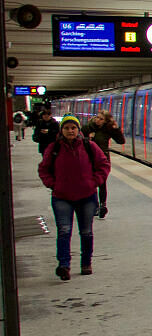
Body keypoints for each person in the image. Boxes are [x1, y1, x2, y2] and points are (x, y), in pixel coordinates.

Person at [38, 114, 109, 280]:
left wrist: (94, 182)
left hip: (86, 196)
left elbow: (103, 164)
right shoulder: (54, 148)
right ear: (62, 130)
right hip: (62, 196)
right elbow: (43, 169)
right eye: (67, 128)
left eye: (73, 128)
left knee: (86, 232)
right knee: (64, 231)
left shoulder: (89, 146)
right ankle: (64, 265)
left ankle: (86, 263)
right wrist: (52, 184)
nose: (70, 130)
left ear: (78, 130)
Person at [85, 110, 125, 218]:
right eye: (97, 117)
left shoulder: (108, 130)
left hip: (102, 160)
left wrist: (116, 129)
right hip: (89, 159)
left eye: (101, 119)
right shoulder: (88, 127)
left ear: (105, 121)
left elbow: (121, 141)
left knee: (102, 183)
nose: (98, 120)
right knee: (91, 184)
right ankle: (94, 205)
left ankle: (102, 206)